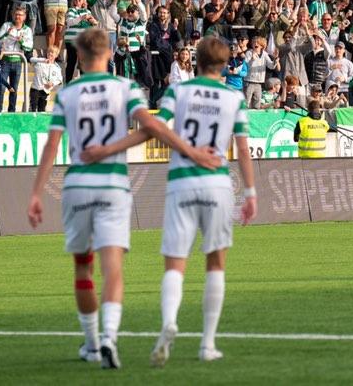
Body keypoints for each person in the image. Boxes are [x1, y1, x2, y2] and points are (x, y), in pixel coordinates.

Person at [27, 28, 219, 370]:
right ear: (111, 53)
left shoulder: (68, 93)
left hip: (77, 186)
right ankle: (109, 339)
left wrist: (36, 193)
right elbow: (152, 127)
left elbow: (53, 145)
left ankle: (90, 342)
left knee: (82, 267)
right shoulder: (126, 88)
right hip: (113, 186)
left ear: (79, 57)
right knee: (112, 267)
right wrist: (190, 150)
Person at [80, 35, 257, 366]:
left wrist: (108, 148)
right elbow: (243, 149)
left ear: (197, 60)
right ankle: (206, 344)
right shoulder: (235, 99)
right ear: (224, 65)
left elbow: (152, 130)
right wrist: (250, 193)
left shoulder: (179, 91)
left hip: (182, 183)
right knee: (216, 264)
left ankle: (169, 323)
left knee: (175, 264)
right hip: (218, 184)